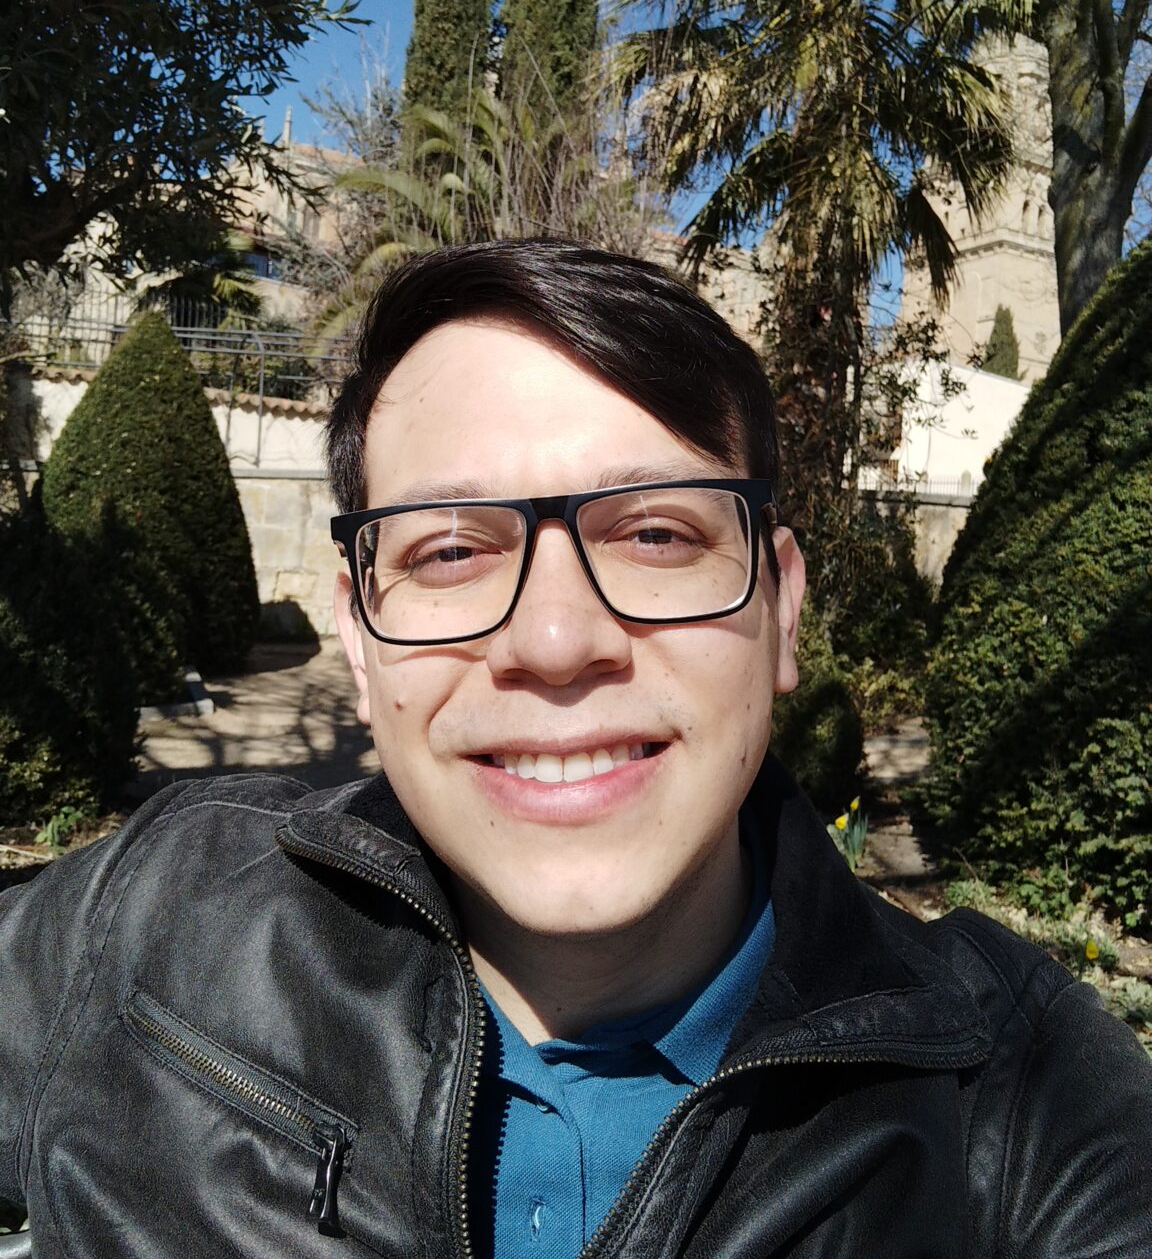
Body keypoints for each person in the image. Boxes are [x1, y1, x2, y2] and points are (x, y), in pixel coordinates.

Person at [1, 239, 1150, 1259]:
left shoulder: (1013, 1096)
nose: (555, 643)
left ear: (781, 608)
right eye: (450, 552)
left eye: (655, 533)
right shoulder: (157, 911)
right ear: (359, 634)